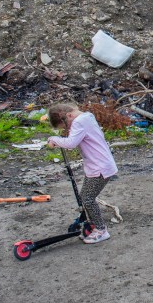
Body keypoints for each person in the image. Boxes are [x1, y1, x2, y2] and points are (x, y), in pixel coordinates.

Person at [46, 103, 118, 244]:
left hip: (100, 168)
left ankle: (101, 230)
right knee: (85, 196)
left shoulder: (79, 122)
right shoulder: (87, 117)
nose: (68, 129)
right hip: (97, 166)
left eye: (66, 126)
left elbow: (71, 142)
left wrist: (53, 139)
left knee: (88, 199)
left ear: (69, 115)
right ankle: (93, 224)